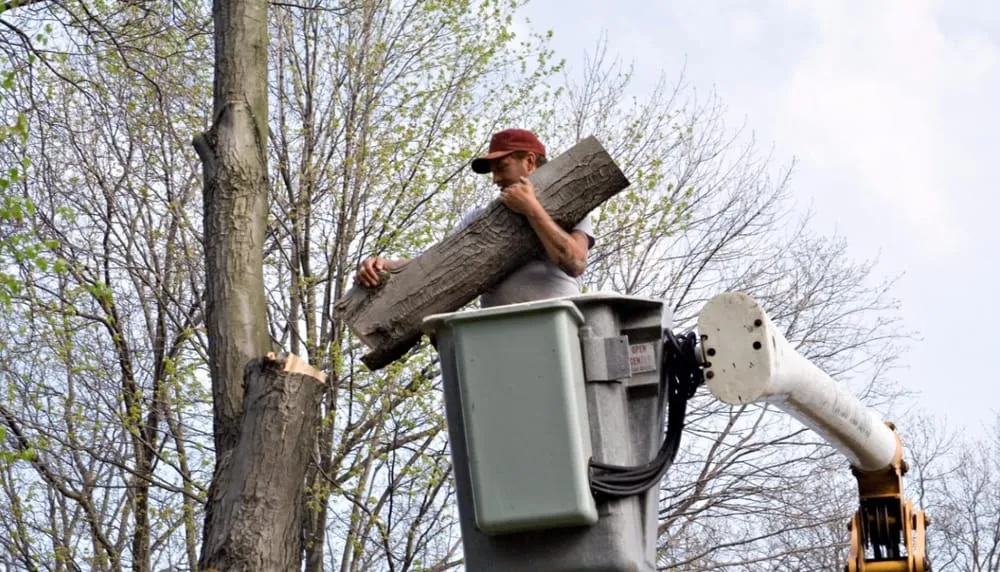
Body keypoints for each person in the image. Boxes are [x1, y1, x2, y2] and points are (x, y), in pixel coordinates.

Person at [355, 128, 595, 308]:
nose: (495, 179)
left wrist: (531, 209)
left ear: (530, 162)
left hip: (557, 325)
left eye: (502, 167)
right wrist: (386, 266)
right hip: (495, 335)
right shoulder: (478, 219)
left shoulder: (570, 208)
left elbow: (574, 262)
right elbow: (437, 262)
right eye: (493, 172)